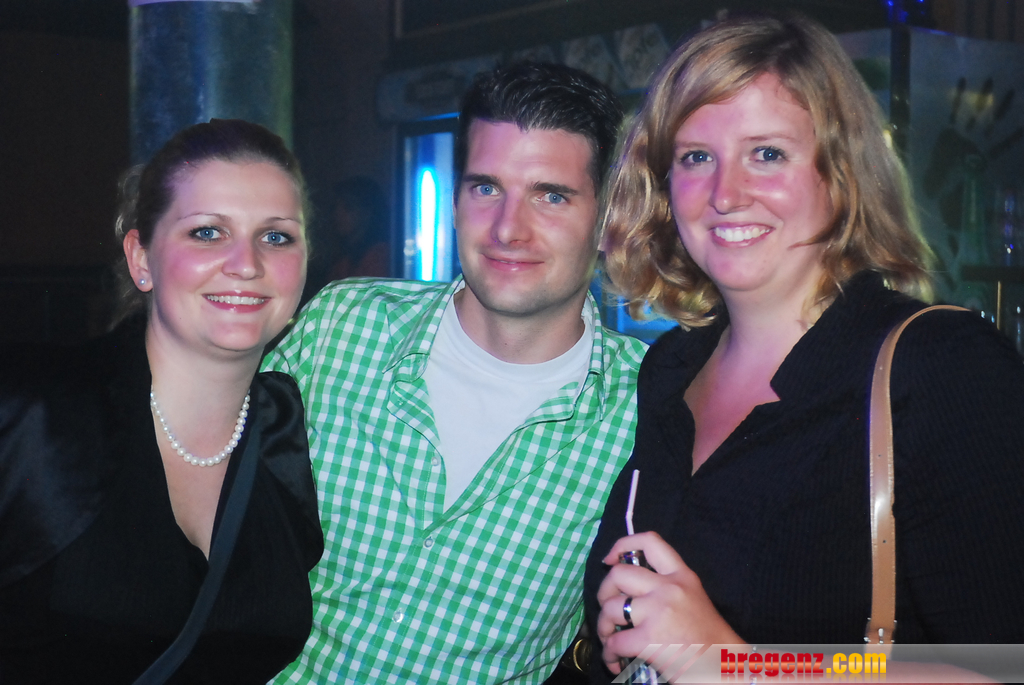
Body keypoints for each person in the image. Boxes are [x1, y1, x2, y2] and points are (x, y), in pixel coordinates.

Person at [584, 13, 1024, 682]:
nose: (726, 194)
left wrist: (735, 666)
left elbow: (1003, 667)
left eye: (767, 153)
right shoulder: (670, 367)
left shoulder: (941, 368)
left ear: (839, 172)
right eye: (696, 157)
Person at [264, 62, 646, 684]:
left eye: (551, 195)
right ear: (454, 200)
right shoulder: (342, 326)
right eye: (486, 188)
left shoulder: (643, 408)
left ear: (608, 220)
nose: (508, 229)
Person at [0, 119, 324, 683]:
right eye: (207, 232)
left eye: (276, 237)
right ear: (142, 259)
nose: (246, 264)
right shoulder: (36, 411)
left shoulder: (285, 437)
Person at [325, 176, 391, 281]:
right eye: (335, 207)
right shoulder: (343, 259)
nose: (338, 213)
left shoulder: (380, 256)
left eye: (348, 207)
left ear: (367, 213)